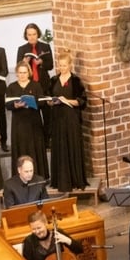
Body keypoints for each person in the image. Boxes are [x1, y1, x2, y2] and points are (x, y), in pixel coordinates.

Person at [47, 50, 88, 191]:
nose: (62, 68)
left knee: (72, 146)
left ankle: (75, 180)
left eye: (65, 65)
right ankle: (61, 181)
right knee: (60, 148)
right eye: (60, 65)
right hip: (58, 118)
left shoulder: (76, 81)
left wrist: (67, 100)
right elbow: (48, 98)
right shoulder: (53, 80)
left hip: (71, 118)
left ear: (70, 65)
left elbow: (82, 101)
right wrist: (52, 102)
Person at [6, 60, 48, 178]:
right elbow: (8, 104)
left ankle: (39, 175)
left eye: (25, 72)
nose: (22, 75)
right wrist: (15, 105)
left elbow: (42, 102)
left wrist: (32, 103)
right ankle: (21, 177)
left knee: (35, 147)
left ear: (29, 73)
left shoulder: (35, 85)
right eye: (20, 72)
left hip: (33, 122)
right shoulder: (12, 87)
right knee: (21, 147)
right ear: (16, 73)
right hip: (19, 123)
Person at [16, 23, 54, 140]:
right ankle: (37, 138)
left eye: (34, 34)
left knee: (47, 113)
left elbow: (50, 65)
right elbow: (18, 68)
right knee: (33, 112)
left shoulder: (45, 47)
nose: (32, 37)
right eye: (29, 35)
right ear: (26, 36)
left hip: (43, 83)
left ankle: (48, 138)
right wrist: (25, 62)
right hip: (30, 85)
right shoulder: (22, 49)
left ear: (38, 34)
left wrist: (41, 63)